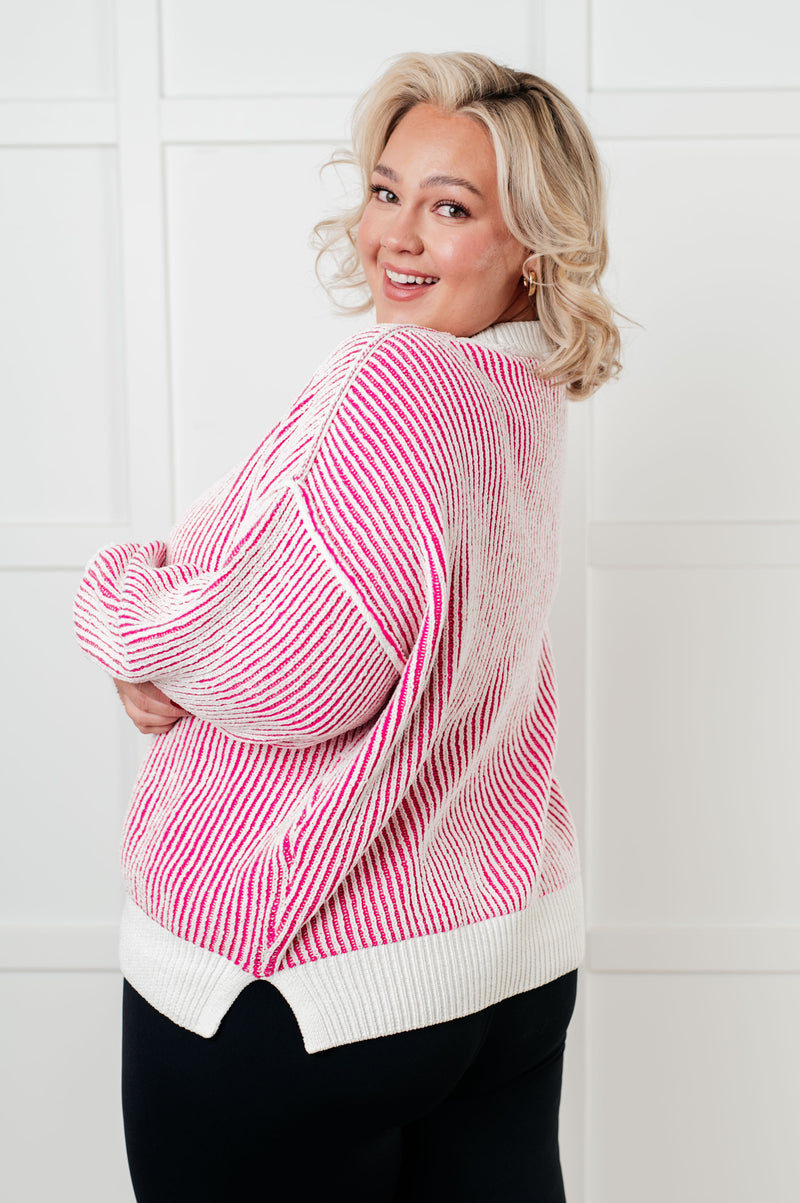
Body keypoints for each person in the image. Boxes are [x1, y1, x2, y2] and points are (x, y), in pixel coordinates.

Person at [74, 51, 620, 1202]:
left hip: (297, 987)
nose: (396, 237)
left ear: (532, 242)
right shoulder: (517, 392)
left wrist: (121, 611)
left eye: (450, 207)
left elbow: (297, 675)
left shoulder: (396, 378)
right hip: (498, 967)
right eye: (384, 191)